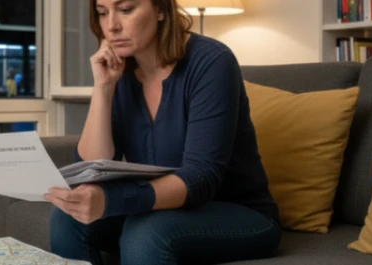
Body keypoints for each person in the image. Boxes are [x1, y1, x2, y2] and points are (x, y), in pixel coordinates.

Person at [43, 0, 281, 264]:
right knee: (67, 217)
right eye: (102, 13)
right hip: (163, 208)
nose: (111, 26)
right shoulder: (120, 71)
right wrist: (103, 88)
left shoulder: (212, 62)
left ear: (160, 9)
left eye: (125, 10)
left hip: (239, 213)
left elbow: (200, 178)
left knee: (146, 233)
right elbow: (91, 168)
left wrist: (113, 201)